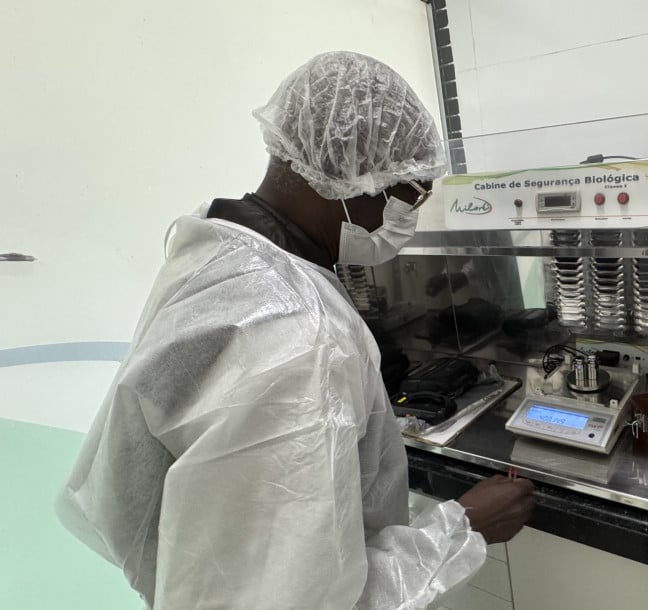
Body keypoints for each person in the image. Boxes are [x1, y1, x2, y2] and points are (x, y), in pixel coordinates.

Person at [56, 51, 536, 609]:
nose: (410, 216)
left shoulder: (216, 254)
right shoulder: (303, 342)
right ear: (358, 179)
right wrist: (461, 529)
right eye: (414, 194)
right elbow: (296, 598)